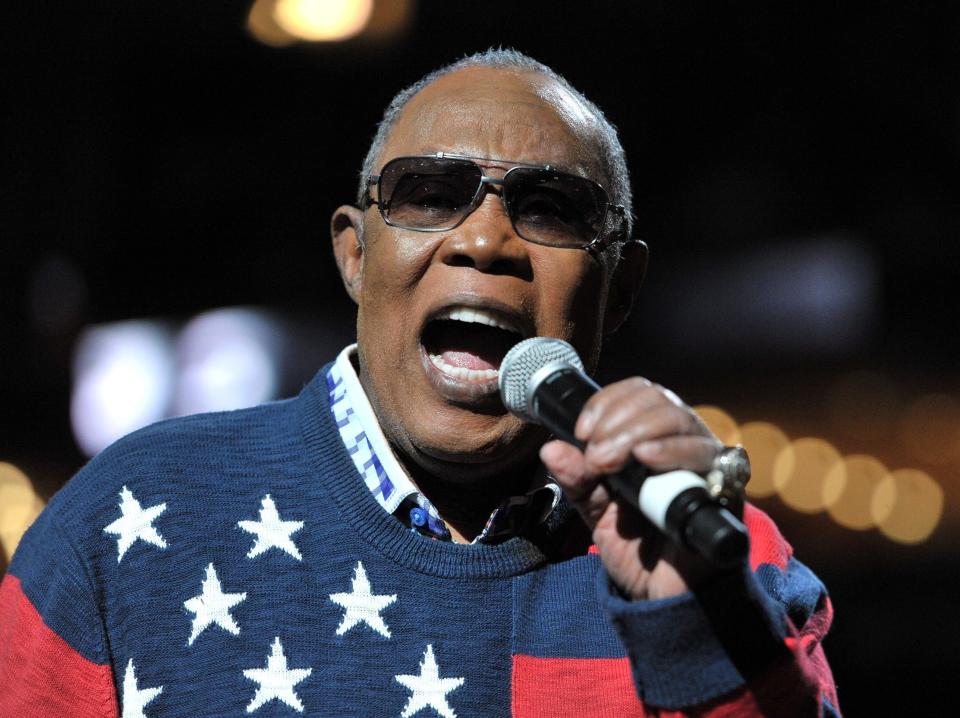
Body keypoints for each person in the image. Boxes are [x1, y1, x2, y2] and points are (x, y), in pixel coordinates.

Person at [0, 49, 840, 717]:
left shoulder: (726, 560)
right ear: (354, 254)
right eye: (431, 194)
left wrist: (699, 633)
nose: (486, 241)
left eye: (551, 209)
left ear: (619, 287)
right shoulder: (133, 519)